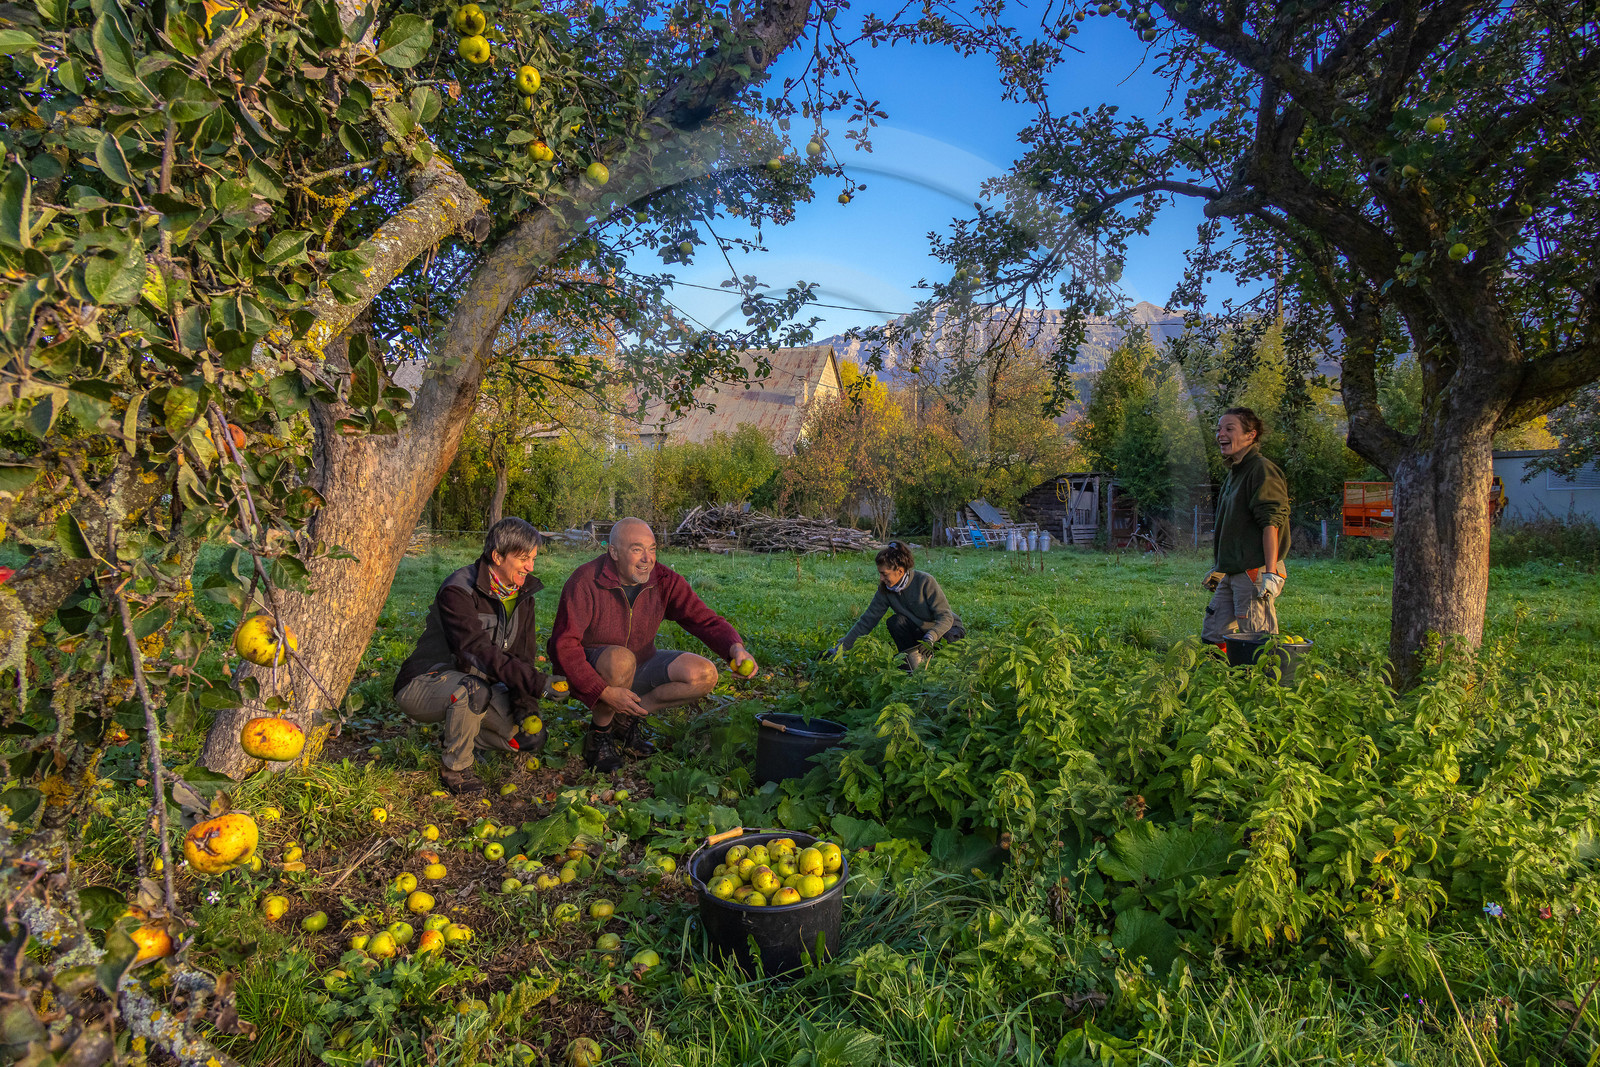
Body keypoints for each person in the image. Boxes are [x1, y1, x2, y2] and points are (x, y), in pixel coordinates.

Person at [548, 517, 758, 772]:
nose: (648, 558)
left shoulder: (664, 581)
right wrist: (602, 691)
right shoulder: (585, 581)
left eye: (652, 549)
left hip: (641, 662)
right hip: (596, 667)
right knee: (621, 660)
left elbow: (703, 619)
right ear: (613, 552)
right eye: (637, 549)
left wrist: (734, 647)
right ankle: (599, 734)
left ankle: (626, 719)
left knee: (704, 674)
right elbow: (564, 646)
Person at [394, 518, 559, 796]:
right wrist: (538, 682)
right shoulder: (458, 590)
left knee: (528, 737)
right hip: (426, 682)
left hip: (478, 685)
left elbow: (522, 658)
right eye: (523, 559)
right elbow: (475, 650)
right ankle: (455, 769)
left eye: (533, 558)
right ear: (497, 556)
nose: (530, 567)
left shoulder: (523, 595)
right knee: (472, 689)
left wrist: (527, 707)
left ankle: (461, 736)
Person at [1203, 407, 1291, 646]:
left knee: (1256, 639)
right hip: (1232, 572)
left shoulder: (1261, 469)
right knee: (1213, 633)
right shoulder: (1235, 472)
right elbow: (1234, 527)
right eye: (1219, 429)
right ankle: (1221, 680)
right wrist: (1220, 567)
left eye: (1229, 429)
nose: (1221, 434)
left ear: (1251, 435)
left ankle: (1261, 682)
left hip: (1253, 572)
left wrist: (1270, 573)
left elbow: (1271, 522)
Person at [825, 541, 964, 670]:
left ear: (900, 571)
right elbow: (867, 621)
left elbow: (945, 617)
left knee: (949, 654)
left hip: (946, 630)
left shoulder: (925, 581)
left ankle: (937, 663)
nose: (881, 579)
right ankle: (911, 662)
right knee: (895, 622)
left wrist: (931, 637)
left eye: (884, 574)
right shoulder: (885, 590)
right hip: (921, 632)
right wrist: (839, 650)